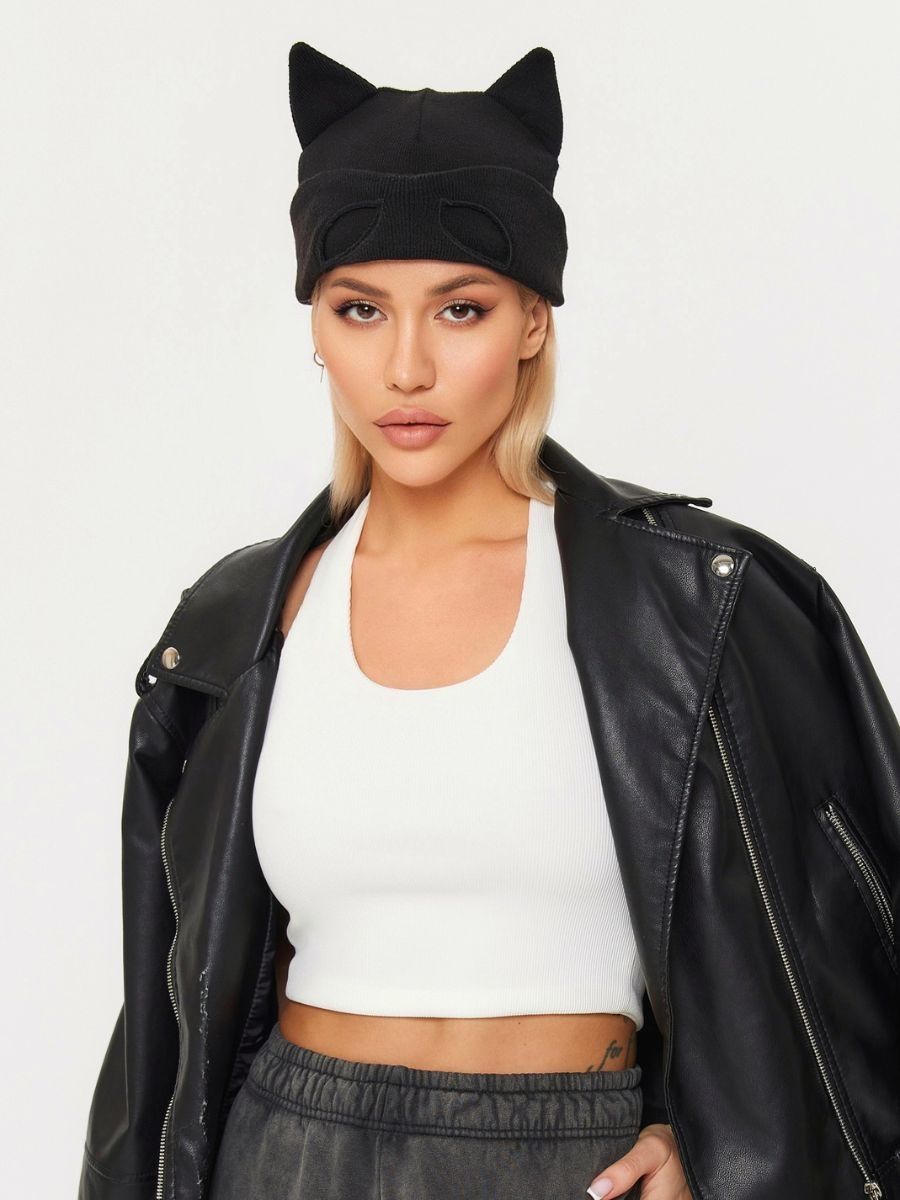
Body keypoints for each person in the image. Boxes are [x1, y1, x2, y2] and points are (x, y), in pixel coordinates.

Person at [78, 42, 900, 1200]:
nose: (406, 368)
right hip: (286, 1153)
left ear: (531, 321)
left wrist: (695, 1138)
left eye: (460, 309)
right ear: (317, 324)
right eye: (361, 310)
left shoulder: (699, 606)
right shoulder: (234, 628)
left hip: (572, 1158)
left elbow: (841, 961)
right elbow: (167, 1009)